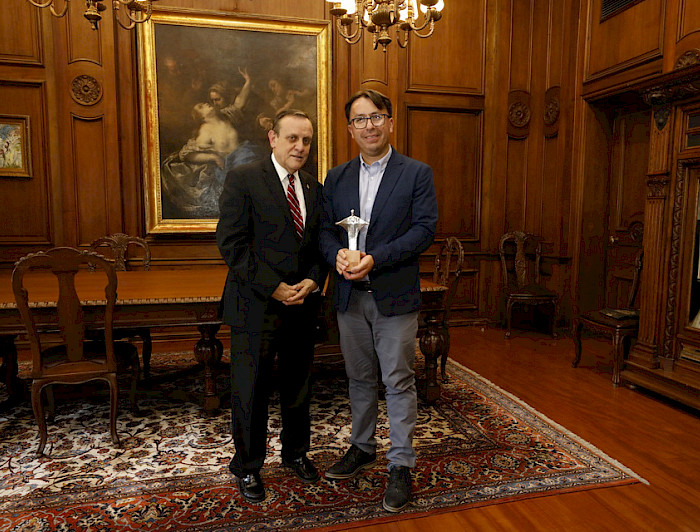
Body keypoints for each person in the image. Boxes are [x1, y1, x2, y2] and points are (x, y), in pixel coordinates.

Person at [319, 89, 438, 513]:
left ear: (389, 123)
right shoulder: (335, 177)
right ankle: (362, 447)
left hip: (394, 296)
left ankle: (401, 465)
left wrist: (374, 258)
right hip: (349, 296)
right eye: (360, 119)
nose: (369, 126)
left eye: (376, 117)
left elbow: (424, 231)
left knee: (399, 381)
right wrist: (335, 255)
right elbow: (324, 231)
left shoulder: (416, 173)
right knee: (359, 379)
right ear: (350, 129)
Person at [216, 109, 328, 503]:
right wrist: (275, 288)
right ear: (272, 138)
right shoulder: (243, 179)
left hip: (302, 305)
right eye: (293, 138)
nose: (301, 147)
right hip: (255, 306)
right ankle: (247, 467)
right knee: (251, 391)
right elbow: (232, 245)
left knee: (298, 387)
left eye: (307, 141)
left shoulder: (314, 188)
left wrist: (315, 279)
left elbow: (320, 245)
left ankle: (296, 454)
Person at [160, 101, 261, 219]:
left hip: (243, 153)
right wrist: (213, 157)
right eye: (201, 107)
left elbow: (240, 101)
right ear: (201, 117)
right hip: (228, 163)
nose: (206, 104)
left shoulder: (226, 116)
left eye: (204, 103)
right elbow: (189, 155)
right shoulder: (206, 129)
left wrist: (247, 82)